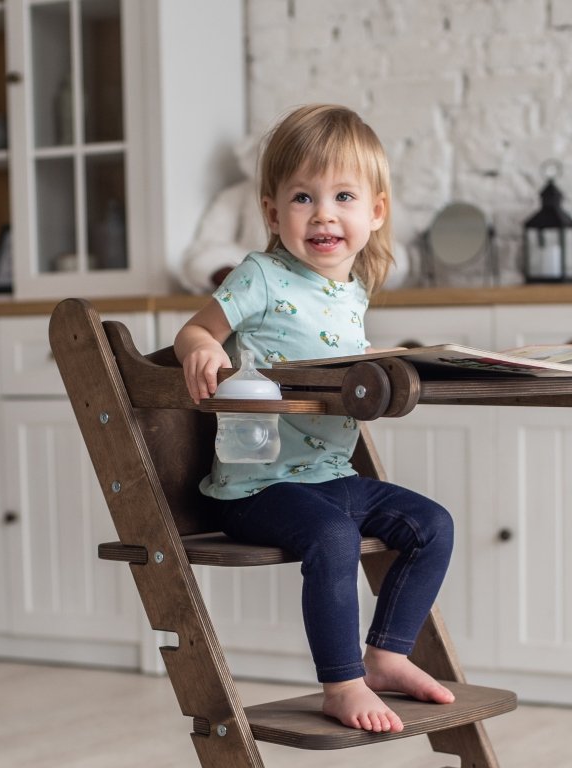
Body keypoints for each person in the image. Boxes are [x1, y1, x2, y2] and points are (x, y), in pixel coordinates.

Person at [174, 103, 454, 734]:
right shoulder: (262, 276)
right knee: (334, 538)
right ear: (273, 213)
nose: (324, 213)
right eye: (303, 197)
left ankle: (386, 656)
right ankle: (341, 681)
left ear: (374, 212)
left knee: (433, 525)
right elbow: (196, 328)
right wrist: (205, 349)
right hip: (258, 486)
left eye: (344, 196)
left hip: (331, 474)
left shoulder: (353, 291)